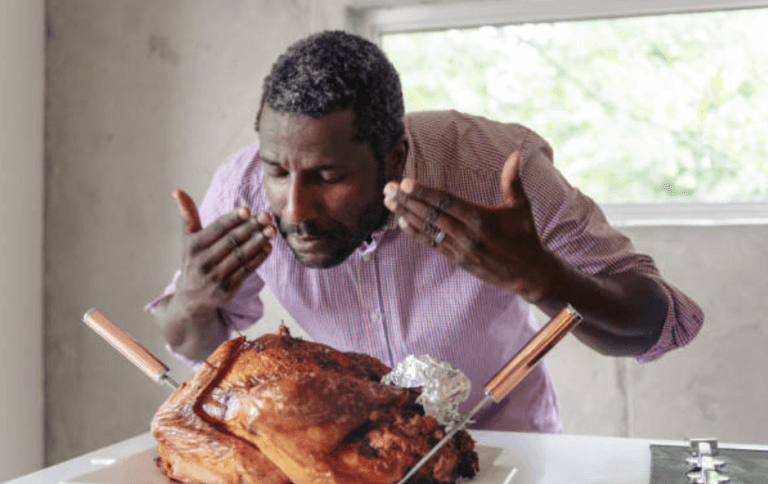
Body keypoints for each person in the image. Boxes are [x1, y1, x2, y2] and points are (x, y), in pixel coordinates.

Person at [147, 30, 703, 432]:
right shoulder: (242, 187)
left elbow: (662, 322)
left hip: (507, 456)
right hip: (351, 458)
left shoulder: (497, 168)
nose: (296, 208)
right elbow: (197, 345)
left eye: (329, 176)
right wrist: (193, 304)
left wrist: (544, 280)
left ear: (393, 160)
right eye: (278, 171)